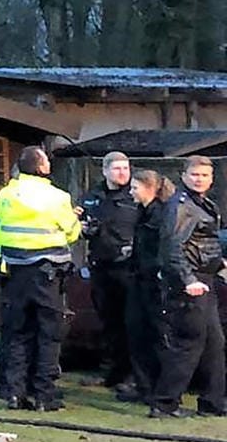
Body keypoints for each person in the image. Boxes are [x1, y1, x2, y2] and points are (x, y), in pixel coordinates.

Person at [0, 145, 82, 410]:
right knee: (48, 334)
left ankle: (14, 393)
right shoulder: (57, 197)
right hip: (46, 273)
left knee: (17, 332)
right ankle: (44, 394)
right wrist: (75, 221)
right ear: (43, 168)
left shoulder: (6, 194)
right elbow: (71, 233)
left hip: (14, 272)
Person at [148, 156, 225, 418]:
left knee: (215, 343)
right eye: (194, 174)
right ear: (184, 176)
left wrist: (220, 267)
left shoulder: (203, 204)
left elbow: (204, 245)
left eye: (204, 175)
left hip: (205, 279)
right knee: (188, 343)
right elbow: (171, 247)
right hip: (188, 284)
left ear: (211, 178)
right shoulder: (181, 206)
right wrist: (188, 280)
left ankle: (213, 402)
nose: (199, 179)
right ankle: (164, 402)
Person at [78, 151, 140, 395]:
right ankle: (114, 372)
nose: (123, 173)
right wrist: (84, 228)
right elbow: (78, 224)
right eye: (117, 169)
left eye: (126, 168)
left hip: (129, 268)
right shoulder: (93, 196)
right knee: (109, 322)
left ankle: (133, 375)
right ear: (105, 171)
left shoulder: (135, 195)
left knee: (132, 323)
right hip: (101, 267)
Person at [125, 169, 173, 402]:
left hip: (154, 282)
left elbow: (161, 250)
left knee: (156, 335)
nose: (131, 191)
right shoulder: (143, 212)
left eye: (135, 187)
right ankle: (144, 386)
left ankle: (160, 388)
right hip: (140, 279)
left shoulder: (160, 214)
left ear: (150, 189)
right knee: (137, 333)